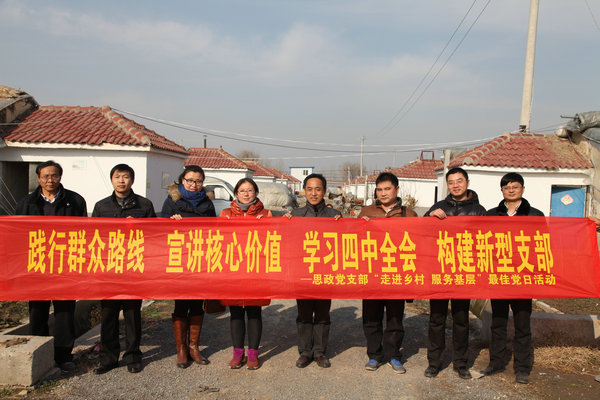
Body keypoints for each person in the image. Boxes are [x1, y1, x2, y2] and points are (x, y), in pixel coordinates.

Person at [15, 160, 87, 372]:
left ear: (60, 177)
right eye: (45, 176)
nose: (50, 180)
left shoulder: (74, 201)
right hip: (37, 266)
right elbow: (17, 234)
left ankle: (63, 355)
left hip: (65, 265)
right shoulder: (27, 203)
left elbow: (84, 232)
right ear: (38, 178)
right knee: (37, 311)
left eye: (54, 176)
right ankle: (39, 353)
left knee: (65, 312)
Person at [92, 164, 156, 375]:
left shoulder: (144, 205)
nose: (121, 181)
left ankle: (133, 356)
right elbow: (94, 236)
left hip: (133, 269)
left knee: (132, 314)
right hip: (109, 269)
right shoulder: (101, 206)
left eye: (125, 177)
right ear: (111, 180)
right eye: (117, 177)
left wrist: (137, 227)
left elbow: (154, 235)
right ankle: (108, 358)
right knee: (108, 315)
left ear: (132, 180)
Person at [423, 167, 486, 380]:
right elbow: (421, 232)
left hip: (464, 273)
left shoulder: (479, 210)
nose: (455, 185)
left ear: (467, 182)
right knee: (436, 319)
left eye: (459, 181)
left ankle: (461, 364)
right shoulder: (438, 207)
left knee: (461, 320)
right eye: (451, 182)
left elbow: (486, 240)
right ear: (447, 185)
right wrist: (429, 216)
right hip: (439, 271)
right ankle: (434, 363)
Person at [481, 172, 544, 385]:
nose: (511, 190)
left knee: (522, 325)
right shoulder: (491, 215)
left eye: (515, 187)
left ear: (522, 189)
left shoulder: (535, 215)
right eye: (506, 187)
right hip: (499, 278)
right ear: (501, 190)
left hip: (523, 279)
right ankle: (496, 363)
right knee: (497, 323)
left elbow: (542, 244)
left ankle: (522, 368)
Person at [357, 172, 417, 373]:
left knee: (395, 318)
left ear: (397, 190)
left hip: (396, 275)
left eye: (387, 189)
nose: (383, 193)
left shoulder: (409, 214)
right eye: (379, 190)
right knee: (371, 318)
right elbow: (353, 240)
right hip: (372, 274)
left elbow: (418, 243)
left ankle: (393, 355)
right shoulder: (366, 212)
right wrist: (361, 226)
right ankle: (374, 355)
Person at [160, 165, 216, 368]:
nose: (194, 184)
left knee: (197, 304)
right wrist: (171, 222)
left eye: (198, 181)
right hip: (180, 261)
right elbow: (161, 230)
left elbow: (215, 231)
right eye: (190, 180)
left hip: (200, 259)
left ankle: (194, 347)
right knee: (181, 304)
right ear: (182, 180)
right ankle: (181, 349)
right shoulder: (172, 200)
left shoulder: (207, 203)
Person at [286, 173, 341, 369]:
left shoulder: (334, 215)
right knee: (304, 313)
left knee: (323, 314)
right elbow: (285, 241)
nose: (314, 193)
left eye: (318, 189)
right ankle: (305, 351)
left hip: (325, 272)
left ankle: (319, 351)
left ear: (324, 191)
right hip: (302, 272)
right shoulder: (295, 215)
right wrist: (284, 223)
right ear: (304, 191)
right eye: (309, 189)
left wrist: (342, 224)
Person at [219, 178, 272, 370]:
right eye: (242, 190)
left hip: (256, 271)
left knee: (254, 312)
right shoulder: (225, 214)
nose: (246, 194)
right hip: (233, 271)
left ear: (256, 193)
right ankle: (237, 353)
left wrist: (266, 225)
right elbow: (218, 240)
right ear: (236, 193)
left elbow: (275, 239)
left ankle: (253, 354)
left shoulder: (266, 214)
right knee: (235, 313)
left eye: (250, 190)